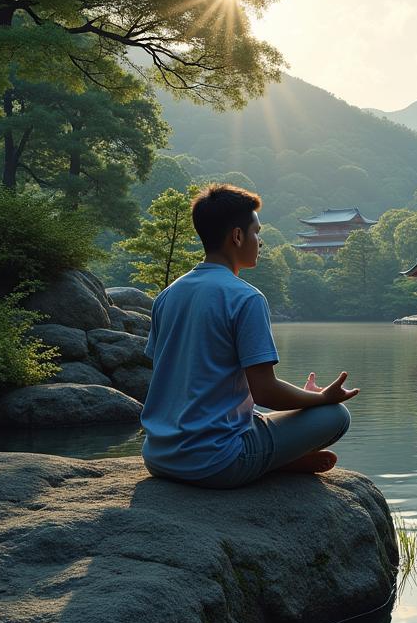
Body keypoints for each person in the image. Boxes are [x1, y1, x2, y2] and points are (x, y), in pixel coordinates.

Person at [141, 184, 358, 489]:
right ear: (237, 236)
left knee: (258, 418)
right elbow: (265, 392)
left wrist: (304, 399)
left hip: (159, 457)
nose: (260, 242)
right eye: (257, 232)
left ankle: (274, 457)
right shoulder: (245, 298)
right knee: (337, 415)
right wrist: (320, 399)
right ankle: (273, 461)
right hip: (216, 463)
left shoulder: (167, 295)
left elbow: (182, 382)